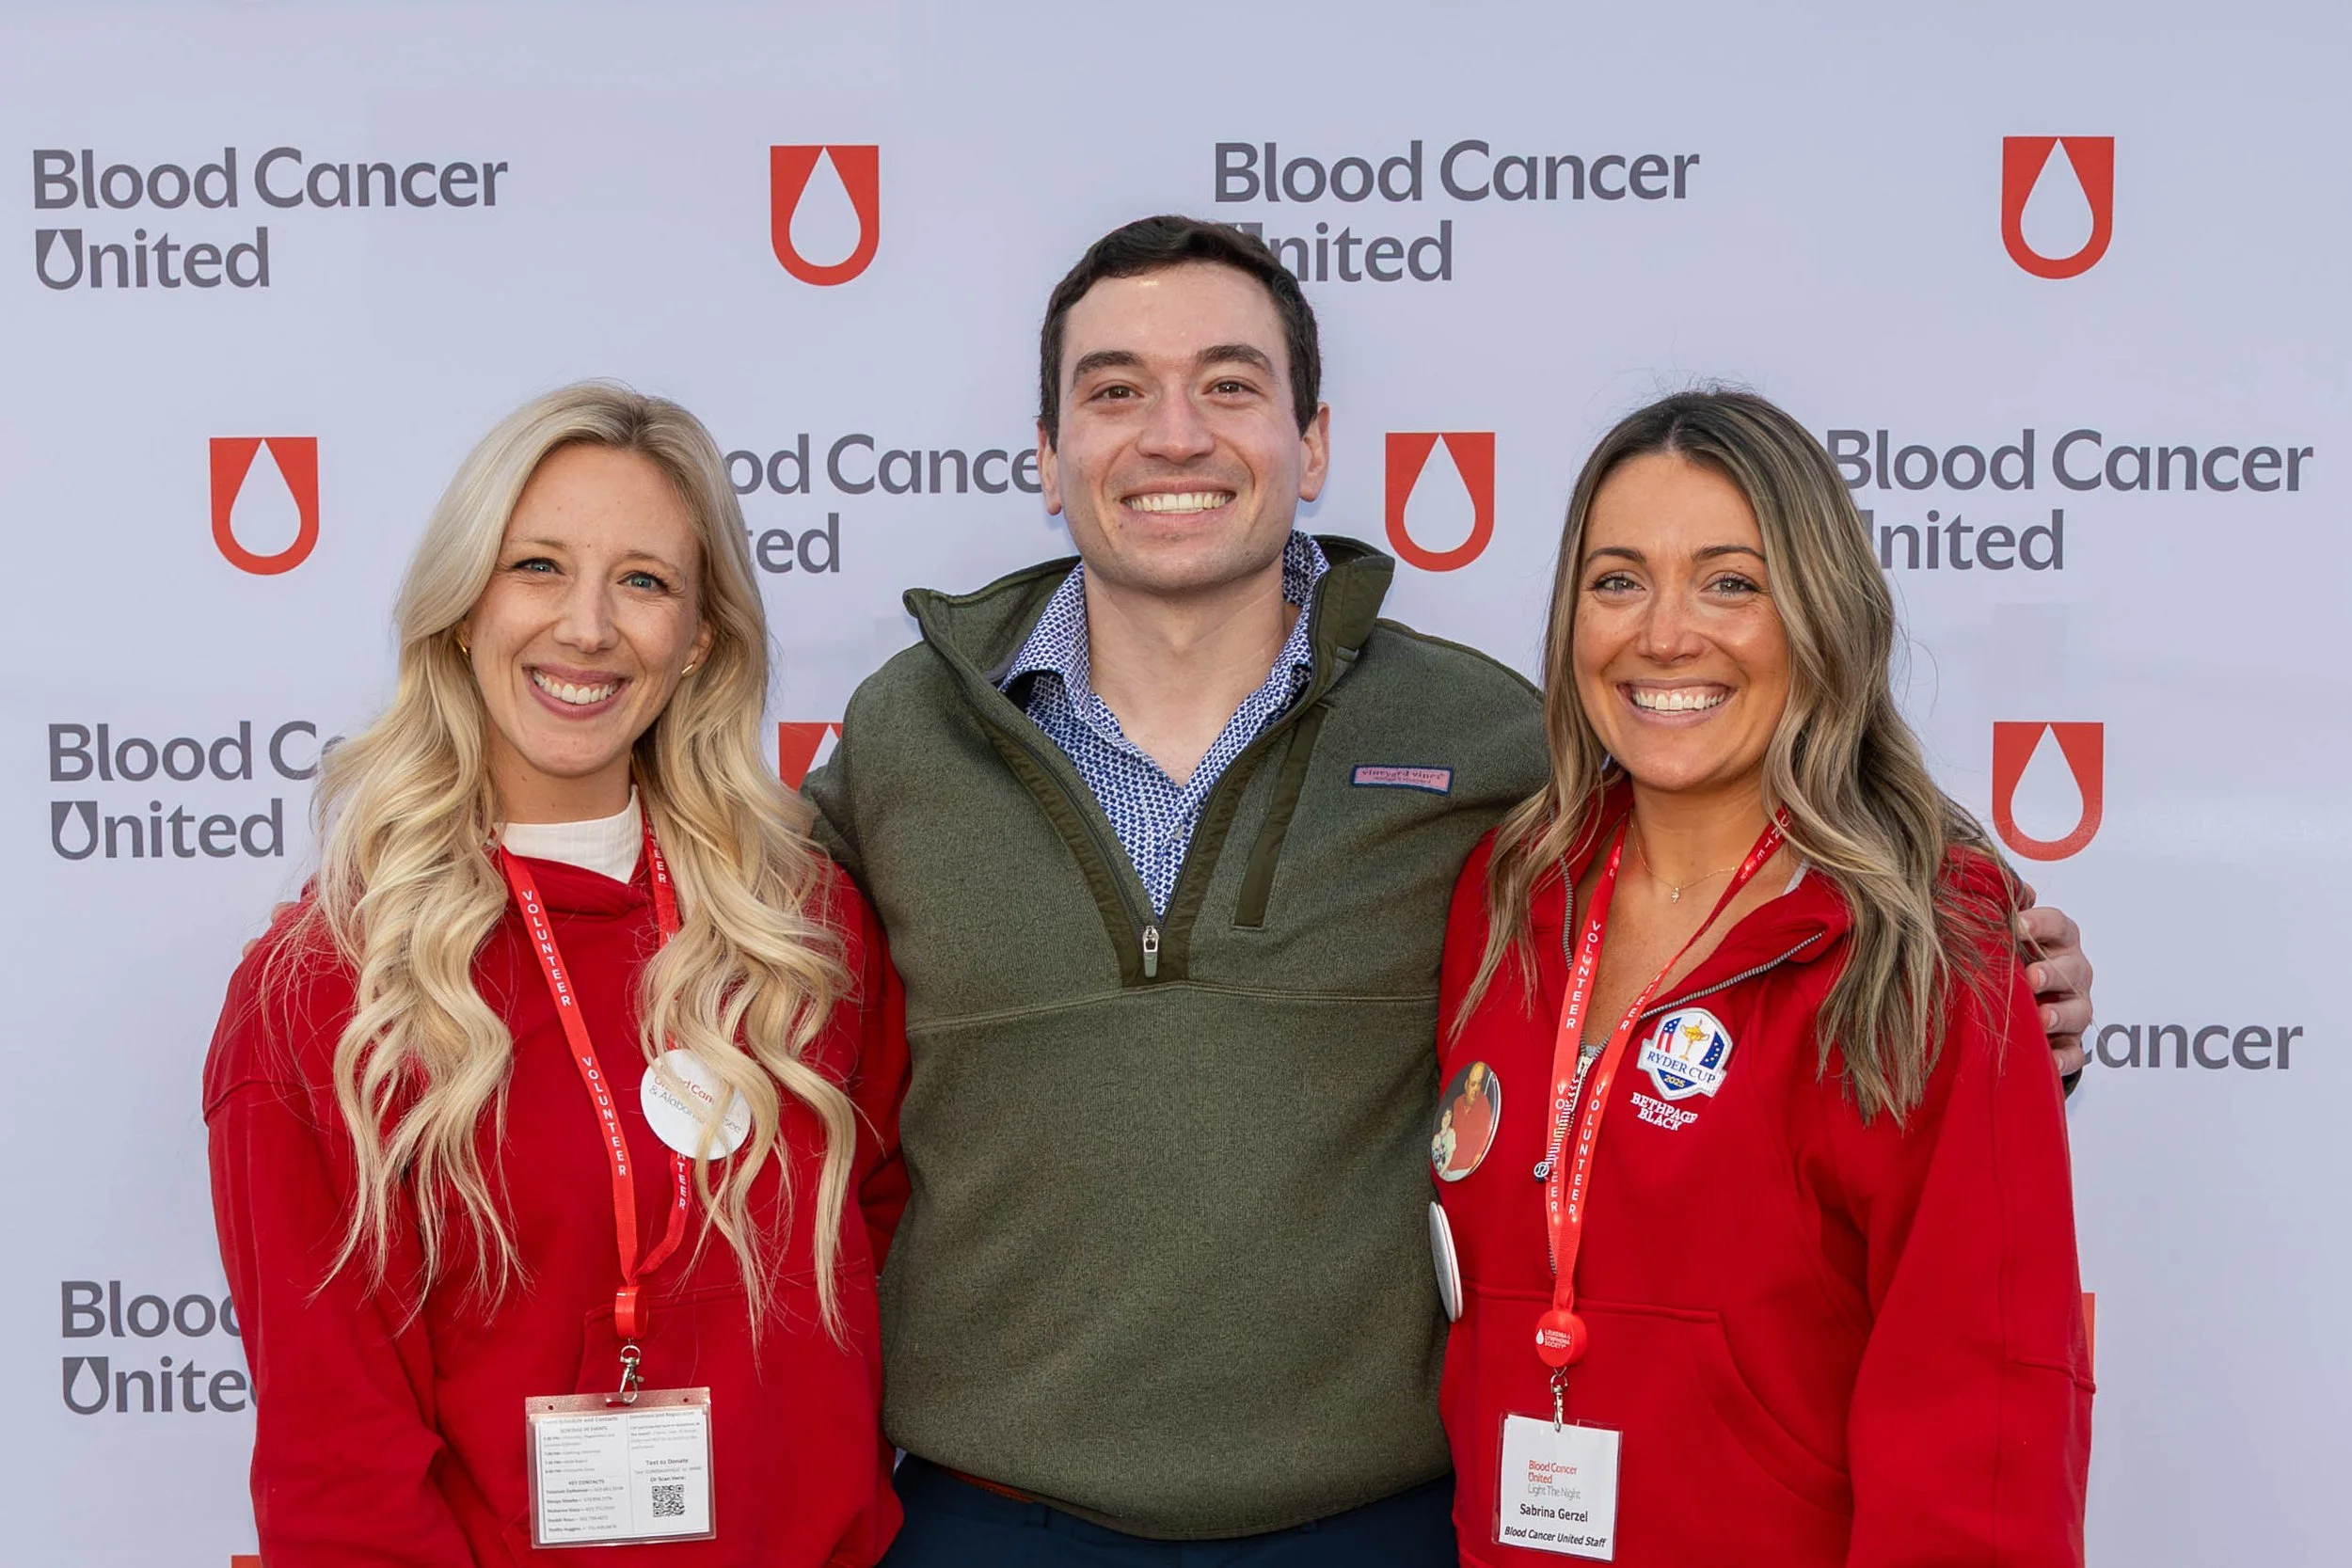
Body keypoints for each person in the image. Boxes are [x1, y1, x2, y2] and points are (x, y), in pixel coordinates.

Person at [805, 215, 2096, 1566]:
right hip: (990, 1516)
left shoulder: (1487, 743)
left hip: (1383, 1524)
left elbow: (1775, 826)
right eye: (1116, 389)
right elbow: (726, 921)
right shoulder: (905, 737)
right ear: (1044, 450)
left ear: (1312, 443)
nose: (1174, 434)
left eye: (1230, 384)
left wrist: (1996, 979)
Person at [204, 383, 909, 1567]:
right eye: (537, 566)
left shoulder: (804, 928)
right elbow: (338, 1463)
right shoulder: (325, 989)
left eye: (643, 580)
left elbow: (877, 1253)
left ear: (699, 638)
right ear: (462, 609)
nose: (587, 626)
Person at [1433, 389, 2091, 1565]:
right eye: (1617, 579)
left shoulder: (1926, 940)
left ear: (1820, 614)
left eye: (1729, 582)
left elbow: (1984, 1407)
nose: (1663, 634)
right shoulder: (1508, 893)